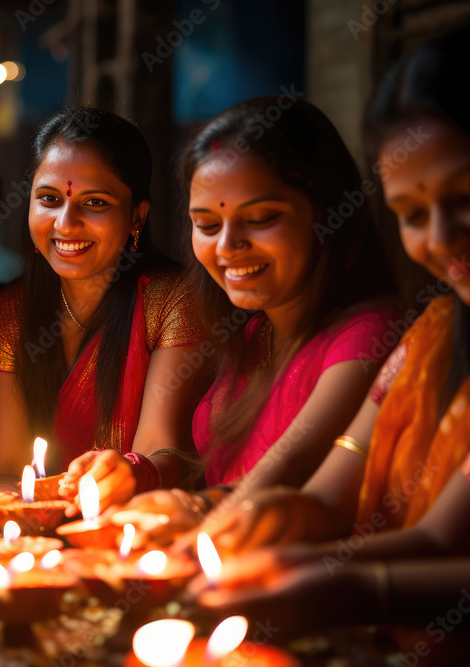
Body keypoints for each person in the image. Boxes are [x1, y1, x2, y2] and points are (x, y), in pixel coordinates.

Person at [185, 27, 470, 661]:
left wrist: (340, 585)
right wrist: (271, 525)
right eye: (414, 213)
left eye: (463, 199)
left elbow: (434, 551)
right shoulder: (433, 337)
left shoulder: (372, 334)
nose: (443, 237)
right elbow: (365, 514)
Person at [113, 98, 398, 536]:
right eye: (207, 225)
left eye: (261, 218)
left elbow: (286, 467)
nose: (227, 246)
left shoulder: (369, 335)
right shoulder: (249, 333)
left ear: (327, 213)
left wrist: (196, 508)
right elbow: (210, 470)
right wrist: (134, 473)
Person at [0, 106, 204, 512]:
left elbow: (163, 453)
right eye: (49, 199)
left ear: (137, 215)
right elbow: (2, 470)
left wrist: (129, 473)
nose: (66, 224)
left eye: (95, 203)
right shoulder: (12, 313)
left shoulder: (171, 299)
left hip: (141, 527)